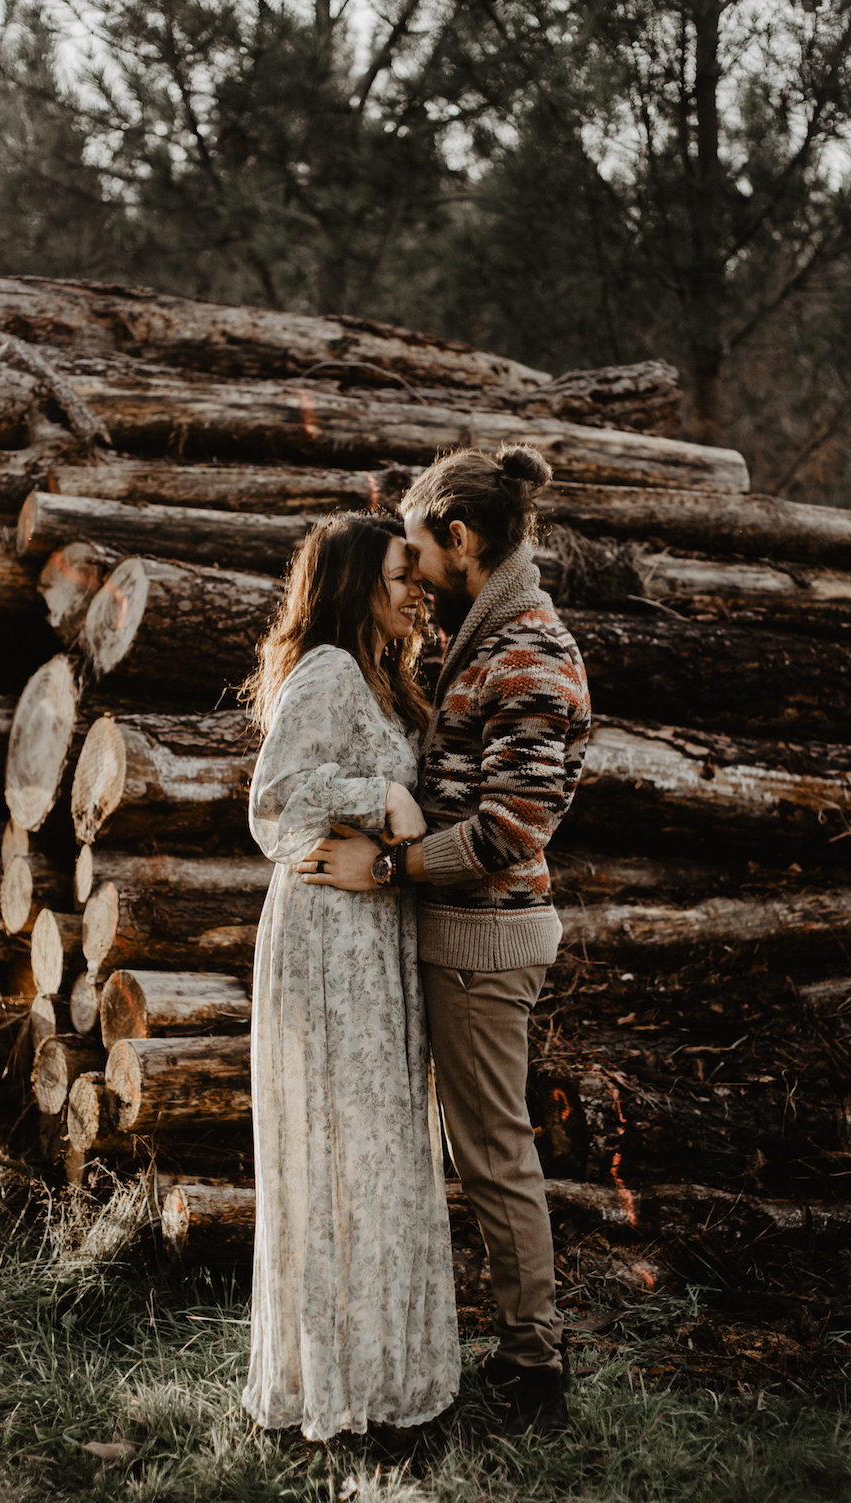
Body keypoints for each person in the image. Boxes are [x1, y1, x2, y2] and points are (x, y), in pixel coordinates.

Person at [298, 444, 591, 1436]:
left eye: (419, 557)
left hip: (482, 944)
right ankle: (502, 1351)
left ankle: (531, 1373)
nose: (414, 581)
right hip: (463, 938)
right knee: (480, 1152)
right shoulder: (490, 633)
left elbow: (512, 829)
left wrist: (386, 869)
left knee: (495, 1157)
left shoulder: (525, 653)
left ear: (460, 540)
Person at [240, 511, 460, 1442]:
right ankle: (334, 1388)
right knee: (344, 1158)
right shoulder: (328, 670)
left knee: (378, 1160)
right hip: (329, 943)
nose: (419, 589)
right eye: (401, 574)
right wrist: (383, 796)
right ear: (352, 582)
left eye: (420, 573)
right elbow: (274, 796)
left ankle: (383, 1380)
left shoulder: (380, 678)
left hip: (372, 940)